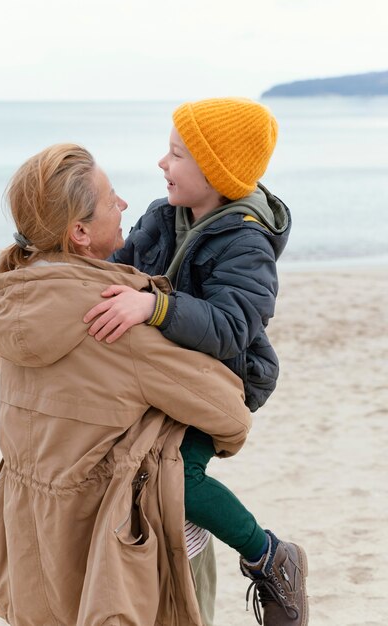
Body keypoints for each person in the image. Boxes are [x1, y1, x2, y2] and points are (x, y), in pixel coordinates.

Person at [0, 143, 252, 626]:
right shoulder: (111, 317)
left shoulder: (16, 301)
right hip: (123, 553)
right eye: (111, 198)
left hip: (36, 545)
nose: (124, 205)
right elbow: (230, 413)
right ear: (79, 232)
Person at [83, 98, 309, 626]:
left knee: (176, 473)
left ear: (218, 172)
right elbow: (118, 269)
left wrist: (156, 305)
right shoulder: (166, 215)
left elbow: (233, 326)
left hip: (224, 378)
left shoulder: (245, 241)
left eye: (177, 154)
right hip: (170, 371)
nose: (163, 163)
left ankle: (269, 555)